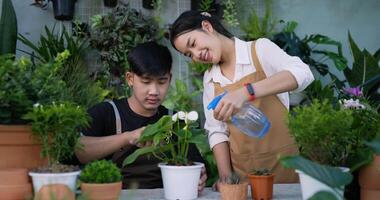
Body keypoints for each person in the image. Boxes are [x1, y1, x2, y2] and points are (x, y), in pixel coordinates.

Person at [169, 11, 314, 187]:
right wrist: (225, 176)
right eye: (189, 54)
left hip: (285, 165)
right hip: (243, 175)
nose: (196, 55)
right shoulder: (210, 79)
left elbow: (303, 73)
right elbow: (217, 130)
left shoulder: (259, 50)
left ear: (207, 26)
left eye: (193, 44)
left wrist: (246, 92)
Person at [75, 42, 207, 191]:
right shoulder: (107, 112)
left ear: (169, 79)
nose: (154, 91)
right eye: (146, 82)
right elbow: (80, 151)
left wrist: (199, 177)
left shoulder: (176, 120)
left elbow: (197, 166)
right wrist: (127, 138)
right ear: (130, 79)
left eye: (162, 82)